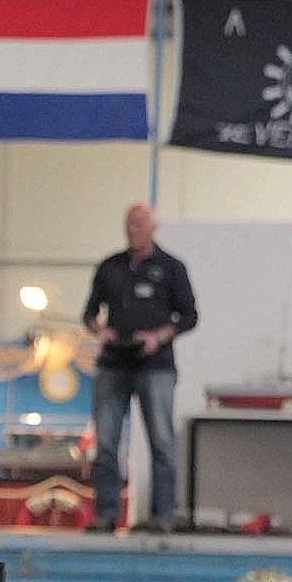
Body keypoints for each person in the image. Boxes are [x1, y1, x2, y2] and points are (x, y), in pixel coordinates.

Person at [81, 203, 198, 534]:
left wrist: (159, 336)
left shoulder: (172, 268)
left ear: (153, 228)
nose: (133, 231)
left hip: (155, 365)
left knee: (162, 442)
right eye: (129, 224)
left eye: (140, 225)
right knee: (105, 442)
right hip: (114, 364)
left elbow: (190, 316)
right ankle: (105, 515)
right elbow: (89, 313)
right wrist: (99, 330)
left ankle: (163, 517)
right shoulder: (110, 267)